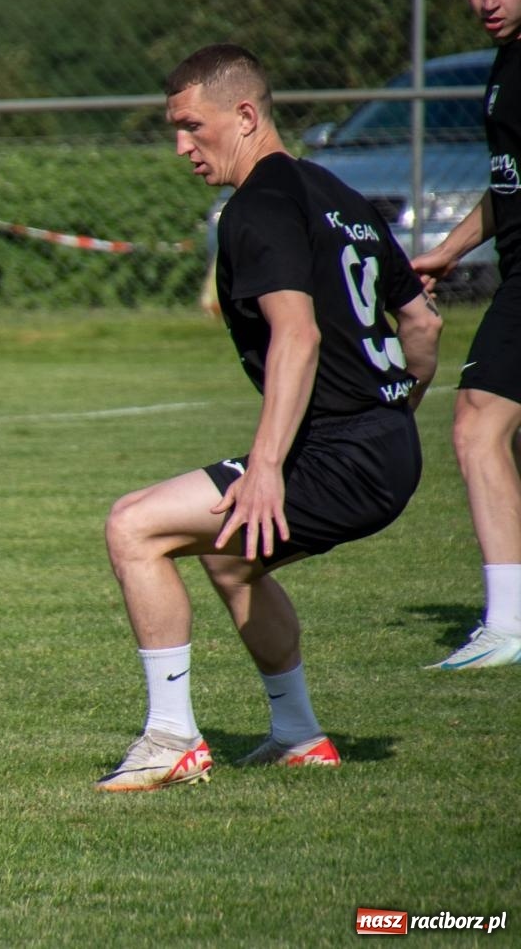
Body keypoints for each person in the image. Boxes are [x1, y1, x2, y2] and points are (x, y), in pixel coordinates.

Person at [96, 44, 441, 792]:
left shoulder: (258, 204)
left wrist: (266, 469)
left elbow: (300, 334)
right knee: (229, 555)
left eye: (192, 126)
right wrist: (397, 411)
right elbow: (423, 327)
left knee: (133, 525)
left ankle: (171, 737)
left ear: (245, 115)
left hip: (341, 453)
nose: (181, 146)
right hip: (387, 448)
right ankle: (297, 734)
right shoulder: (341, 195)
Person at [410, 0, 521, 671]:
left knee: (475, 422)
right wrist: (445, 254)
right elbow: (506, 187)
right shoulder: (504, 63)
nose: (488, 0)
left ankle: (507, 625)